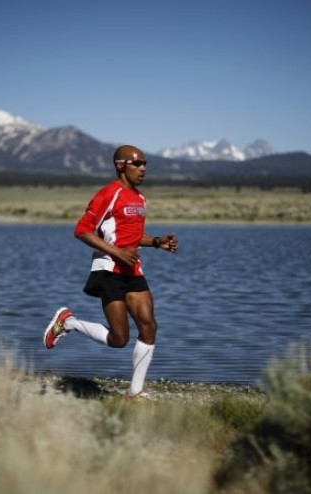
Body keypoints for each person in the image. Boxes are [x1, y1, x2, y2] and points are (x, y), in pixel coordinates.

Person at [43, 144, 178, 401]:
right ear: (121, 166)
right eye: (137, 164)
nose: (143, 169)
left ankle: (135, 393)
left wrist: (158, 242)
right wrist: (116, 252)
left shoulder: (140, 199)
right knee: (119, 339)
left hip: (133, 270)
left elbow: (134, 237)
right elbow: (82, 230)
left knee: (149, 327)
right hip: (108, 269)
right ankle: (67, 321)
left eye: (145, 163)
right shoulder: (109, 194)